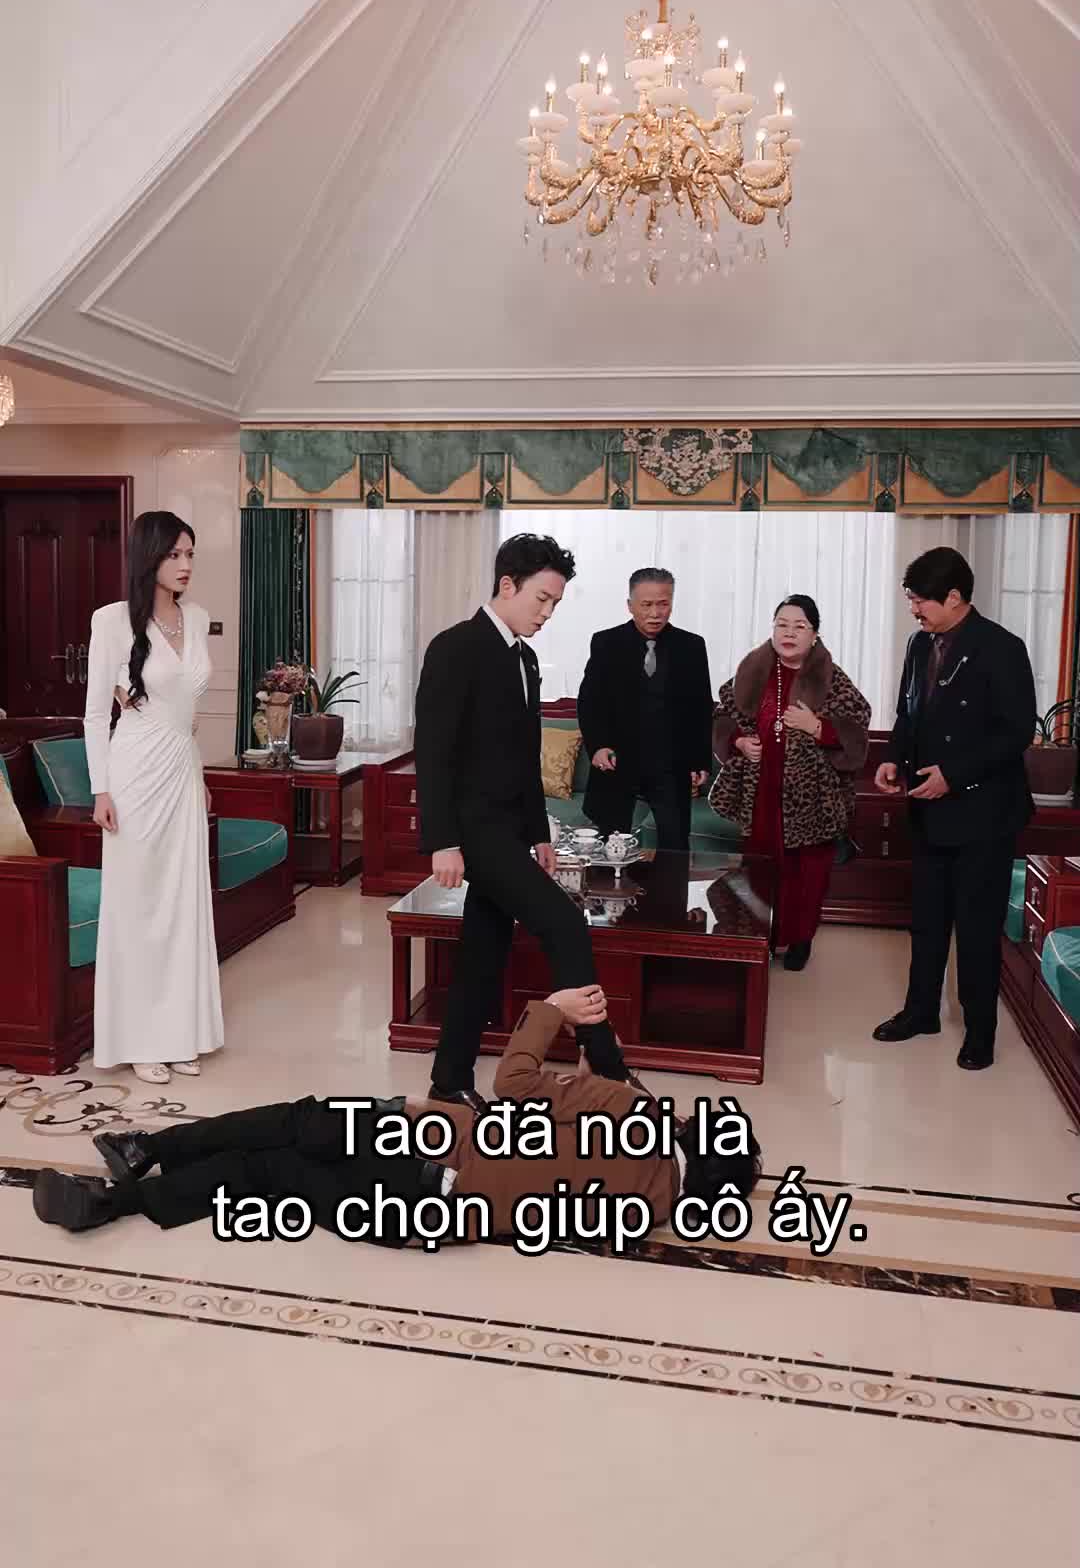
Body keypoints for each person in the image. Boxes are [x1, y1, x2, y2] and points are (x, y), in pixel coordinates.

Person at [32, 986, 761, 1240]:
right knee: (269, 1175)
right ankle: (115, 1203)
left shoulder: (634, 1112)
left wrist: (552, 1011)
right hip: (419, 1218)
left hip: (427, 1143)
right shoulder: (652, 1209)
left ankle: (150, 1149)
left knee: (292, 1123)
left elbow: (514, 1085)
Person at [414, 533, 630, 1112]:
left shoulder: (526, 659)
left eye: (555, 602)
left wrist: (538, 832)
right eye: (542, 599)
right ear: (507, 585)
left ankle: (449, 1079)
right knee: (565, 924)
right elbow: (433, 752)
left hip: (510, 830)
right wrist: (443, 841)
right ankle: (606, 1066)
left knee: (483, 953)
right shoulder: (454, 648)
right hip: (473, 831)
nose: (547, 612)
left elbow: (525, 755)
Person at [872, 546, 1036, 1070]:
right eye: (910, 599)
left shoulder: (1002, 648)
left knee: (977, 928)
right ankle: (921, 1012)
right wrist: (893, 758)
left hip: (983, 813)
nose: (914, 610)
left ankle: (980, 1031)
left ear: (955, 597)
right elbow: (909, 713)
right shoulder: (920, 644)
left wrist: (954, 775)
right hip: (928, 810)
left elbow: (1015, 733)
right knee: (926, 921)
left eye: (921, 601)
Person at [84, 511, 224, 1084]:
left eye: (190, 554)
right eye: (174, 555)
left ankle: (178, 1032)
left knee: (182, 905)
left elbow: (186, 712)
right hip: (134, 776)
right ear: (149, 557)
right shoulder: (112, 620)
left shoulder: (198, 616)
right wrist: (100, 789)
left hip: (181, 773)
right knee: (140, 907)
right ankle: (140, 1039)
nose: (185, 565)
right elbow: (96, 714)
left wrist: (199, 774)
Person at [710, 596, 870, 970]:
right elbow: (721, 716)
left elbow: (857, 730)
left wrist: (818, 727)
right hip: (761, 789)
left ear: (814, 635)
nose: (789, 633)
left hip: (812, 795)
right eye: (782, 624)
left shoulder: (831, 678)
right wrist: (738, 742)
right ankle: (761, 936)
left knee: (807, 874)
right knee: (760, 869)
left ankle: (800, 939)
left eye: (799, 626)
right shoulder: (753, 671)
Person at [577, 567, 714, 851]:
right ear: (630, 605)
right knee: (611, 847)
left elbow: (700, 707)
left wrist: (700, 760)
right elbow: (590, 701)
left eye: (663, 604)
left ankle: (671, 882)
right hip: (618, 761)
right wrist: (598, 746)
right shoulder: (606, 643)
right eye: (646, 604)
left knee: (674, 846)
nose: (655, 613)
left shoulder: (691, 646)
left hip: (670, 765)